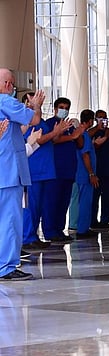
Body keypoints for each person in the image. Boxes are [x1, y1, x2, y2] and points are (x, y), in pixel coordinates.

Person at [0, 68, 45, 281]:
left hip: (5, 172)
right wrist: (35, 106)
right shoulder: (5, 102)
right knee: (10, 221)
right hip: (8, 173)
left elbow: (20, 128)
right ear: (8, 85)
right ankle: (6, 267)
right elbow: (34, 119)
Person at [22, 93, 71, 250]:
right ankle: (28, 237)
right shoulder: (27, 122)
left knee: (41, 206)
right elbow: (39, 140)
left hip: (45, 170)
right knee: (32, 207)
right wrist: (55, 133)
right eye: (31, 102)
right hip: (35, 171)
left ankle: (34, 236)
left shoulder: (41, 122)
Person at [45, 97, 84, 241]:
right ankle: (50, 231)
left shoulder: (70, 126)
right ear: (55, 109)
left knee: (64, 202)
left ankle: (59, 230)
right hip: (55, 170)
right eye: (61, 107)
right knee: (52, 201)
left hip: (69, 170)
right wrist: (72, 136)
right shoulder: (50, 124)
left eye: (67, 108)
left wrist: (78, 132)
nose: (64, 110)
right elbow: (53, 140)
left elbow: (79, 144)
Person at [89, 110, 109, 230]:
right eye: (100, 117)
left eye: (104, 117)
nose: (103, 119)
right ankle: (92, 220)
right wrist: (105, 135)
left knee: (108, 196)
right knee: (94, 196)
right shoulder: (92, 132)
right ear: (95, 119)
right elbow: (94, 145)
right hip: (97, 169)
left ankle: (105, 220)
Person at [75, 110, 100, 238]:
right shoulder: (83, 135)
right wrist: (91, 174)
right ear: (90, 121)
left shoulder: (82, 134)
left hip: (82, 174)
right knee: (85, 202)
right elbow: (85, 155)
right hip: (85, 175)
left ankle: (84, 227)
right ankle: (82, 230)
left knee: (85, 201)